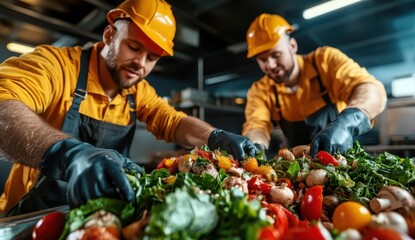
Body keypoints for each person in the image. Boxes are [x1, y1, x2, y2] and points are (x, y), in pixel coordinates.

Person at [0, 0, 258, 216]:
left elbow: (173, 121)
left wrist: (214, 136)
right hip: (32, 217)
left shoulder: (138, 92)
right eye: (134, 47)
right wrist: (67, 154)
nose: (140, 64)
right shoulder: (57, 66)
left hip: (98, 217)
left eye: (152, 58)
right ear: (110, 35)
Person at [242, 13, 387, 157]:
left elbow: (369, 89)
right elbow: (256, 126)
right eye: (262, 59)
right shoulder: (260, 90)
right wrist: (255, 146)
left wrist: (347, 122)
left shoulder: (325, 61)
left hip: (343, 162)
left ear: (292, 46)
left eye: (276, 55)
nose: (271, 65)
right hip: (299, 170)